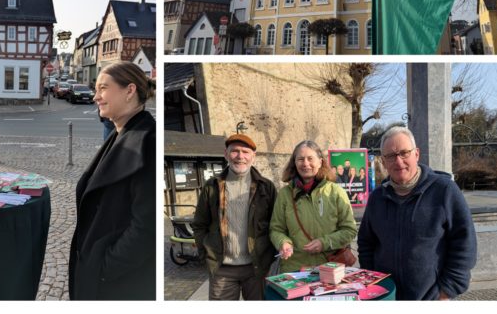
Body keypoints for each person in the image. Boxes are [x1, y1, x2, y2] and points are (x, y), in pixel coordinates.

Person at [357, 126, 477, 300]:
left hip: (431, 297)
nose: (398, 162)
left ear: (417, 154)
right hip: (386, 296)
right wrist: (373, 282)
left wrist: (447, 291)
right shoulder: (377, 197)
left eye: (404, 153)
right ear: (383, 161)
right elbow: (366, 243)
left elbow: (465, 243)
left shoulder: (444, 190)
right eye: (390, 156)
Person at [69, 63, 155, 300]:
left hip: (120, 283)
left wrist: (105, 267)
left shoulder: (148, 143)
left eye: (103, 88)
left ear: (129, 91)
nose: (96, 96)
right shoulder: (120, 134)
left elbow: (147, 227)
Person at [191, 133, 276, 300]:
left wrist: (268, 257)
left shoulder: (266, 187)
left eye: (245, 152)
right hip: (222, 269)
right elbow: (199, 224)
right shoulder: (212, 186)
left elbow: (276, 224)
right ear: (226, 154)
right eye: (235, 151)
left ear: (253, 156)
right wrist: (206, 255)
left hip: (256, 268)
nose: (240, 156)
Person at [269, 140, 357, 273]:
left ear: (320, 162)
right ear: (294, 163)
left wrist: (324, 243)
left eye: (310, 158)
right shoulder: (285, 194)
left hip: (329, 269)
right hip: (295, 270)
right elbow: (276, 229)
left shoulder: (336, 192)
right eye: (300, 159)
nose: (305, 163)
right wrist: (283, 242)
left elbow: (349, 230)